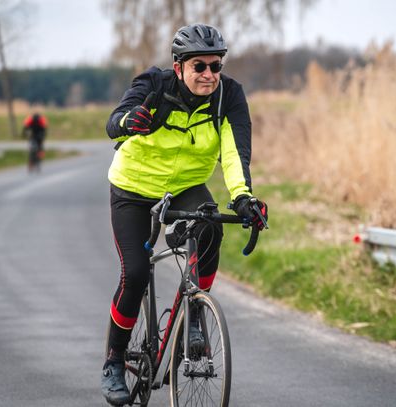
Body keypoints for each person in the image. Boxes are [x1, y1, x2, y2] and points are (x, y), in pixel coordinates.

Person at [101, 23, 268, 406]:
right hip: (133, 187)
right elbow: (115, 122)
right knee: (135, 274)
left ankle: (195, 315)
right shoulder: (154, 85)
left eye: (216, 65)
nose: (209, 74)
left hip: (185, 186)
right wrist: (130, 121)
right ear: (178, 67)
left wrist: (243, 198)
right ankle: (113, 361)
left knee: (211, 229)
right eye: (199, 66)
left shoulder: (229, 96)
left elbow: (235, 152)